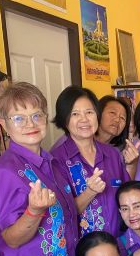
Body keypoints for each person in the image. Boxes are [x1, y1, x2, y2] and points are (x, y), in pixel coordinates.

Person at [0, 82, 79, 256]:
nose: (30, 124)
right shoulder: (4, 172)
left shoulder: (51, 163)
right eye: (19, 118)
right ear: (4, 125)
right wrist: (34, 211)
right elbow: (11, 239)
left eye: (37, 115)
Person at [50, 85, 130, 238]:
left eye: (89, 112)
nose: (84, 119)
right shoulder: (57, 160)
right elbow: (61, 213)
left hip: (116, 243)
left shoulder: (112, 154)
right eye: (75, 114)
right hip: (82, 248)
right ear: (64, 120)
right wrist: (90, 192)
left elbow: (126, 194)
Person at [96, 95, 140, 172]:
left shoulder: (117, 153)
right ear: (98, 113)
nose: (117, 120)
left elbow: (125, 180)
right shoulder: (82, 144)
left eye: (122, 118)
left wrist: (132, 165)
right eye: (112, 113)